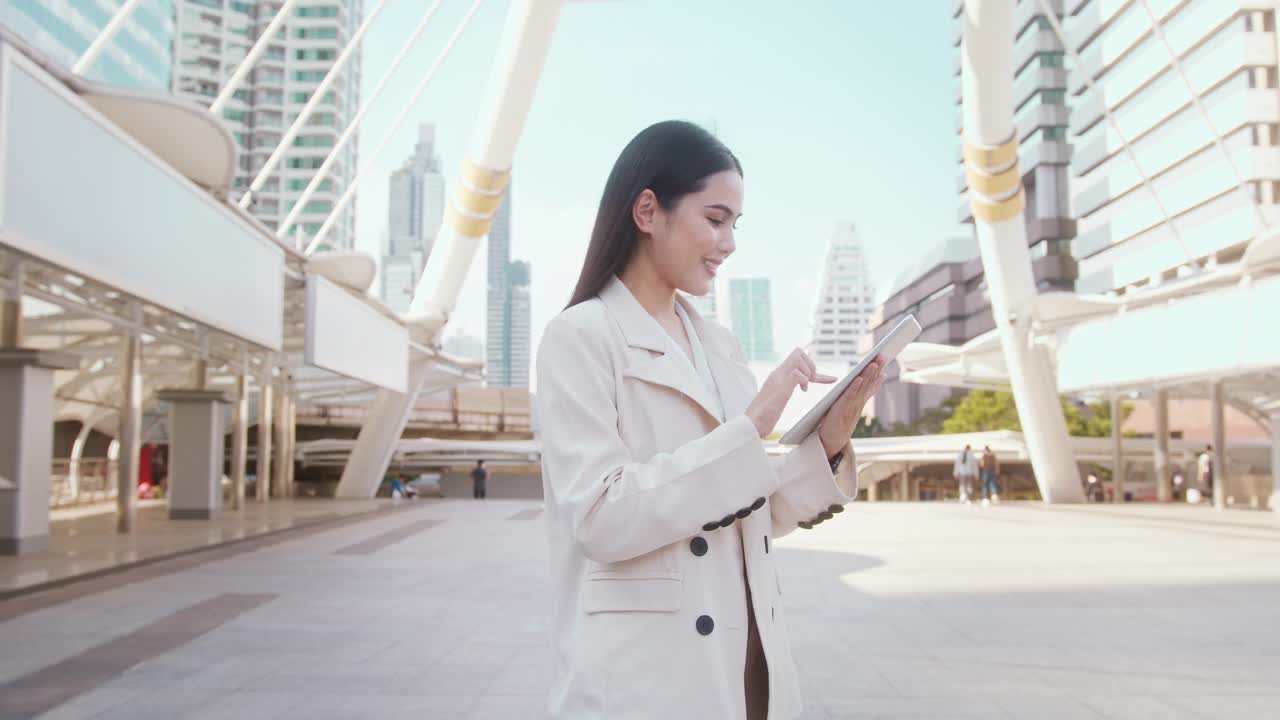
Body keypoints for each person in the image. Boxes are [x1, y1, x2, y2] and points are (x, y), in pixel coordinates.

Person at [534, 121, 884, 719]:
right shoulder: (580, 337)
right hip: (647, 680)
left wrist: (828, 442)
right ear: (648, 210)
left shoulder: (720, 345)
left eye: (735, 225)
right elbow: (600, 517)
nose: (729, 242)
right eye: (715, 219)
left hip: (748, 667)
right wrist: (750, 427)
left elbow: (753, 511)